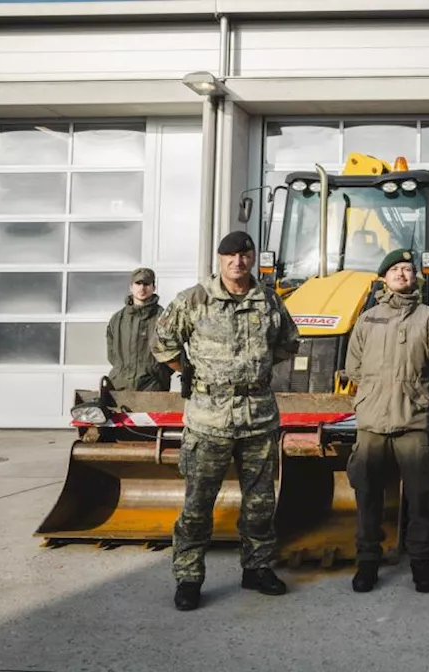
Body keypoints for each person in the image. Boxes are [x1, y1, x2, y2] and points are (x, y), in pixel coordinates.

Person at [152, 231, 301, 612]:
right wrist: (187, 370)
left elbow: (288, 342)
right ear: (220, 260)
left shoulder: (268, 299)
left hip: (258, 417)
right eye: (230, 255)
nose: (238, 261)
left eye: (244, 254)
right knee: (198, 504)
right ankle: (188, 576)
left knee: (260, 503)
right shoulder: (194, 299)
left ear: (253, 258)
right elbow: (162, 342)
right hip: (208, 418)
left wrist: (253, 372)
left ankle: (257, 567)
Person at [343, 249, 429, 593]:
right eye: (396, 269)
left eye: (408, 269)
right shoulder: (367, 319)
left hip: (412, 420)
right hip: (372, 421)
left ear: (415, 277)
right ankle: (368, 562)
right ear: (384, 277)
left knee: (421, 498)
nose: (403, 274)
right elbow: (353, 367)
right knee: (368, 495)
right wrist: (375, 390)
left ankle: (421, 564)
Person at [106, 267, 172, 391]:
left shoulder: (164, 318)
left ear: (153, 288)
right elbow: (111, 354)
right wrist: (122, 371)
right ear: (131, 287)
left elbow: (174, 352)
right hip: (120, 386)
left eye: (146, 284)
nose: (142, 288)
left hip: (153, 387)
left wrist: (156, 373)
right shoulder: (118, 319)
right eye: (138, 283)